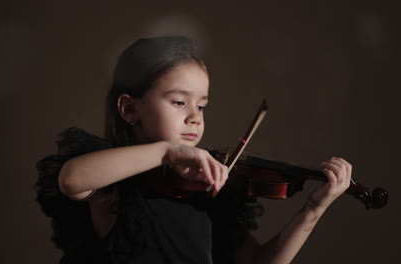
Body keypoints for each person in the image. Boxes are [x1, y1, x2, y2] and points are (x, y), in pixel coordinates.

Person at [35, 36, 352, 264]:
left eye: (201, 105)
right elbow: (71, 179)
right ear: (130, 109)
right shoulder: (113, 187)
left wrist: (313, 210)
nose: (194, 116)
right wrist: (167, 152)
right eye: (178, 102)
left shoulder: (205, 190)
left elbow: (258, 261)